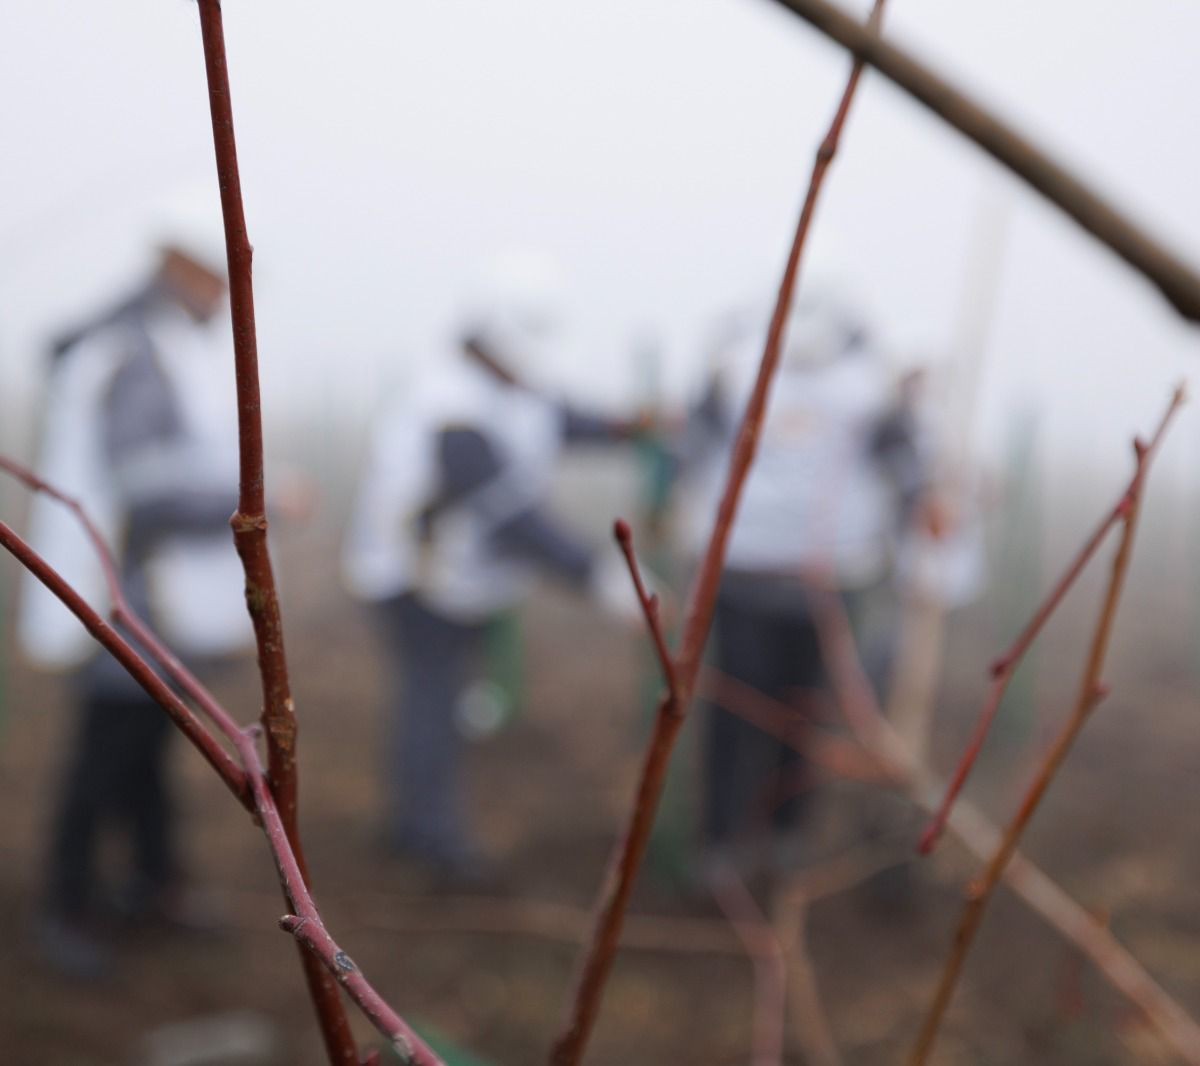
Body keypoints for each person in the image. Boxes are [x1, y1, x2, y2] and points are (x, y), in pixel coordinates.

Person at [342, 251, 649, 886]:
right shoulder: (449, 405)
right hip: (416, 578)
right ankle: (429, 838)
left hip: (456, 577)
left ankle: (419, 820)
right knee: (431, 698)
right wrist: (604, 578)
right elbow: (508, 513)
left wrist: (631, 426)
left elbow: (563, 420)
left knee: (444, 697)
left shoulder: (514, 387)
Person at [20, 199, 254, 976]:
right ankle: (67, 906)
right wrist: (250, 502)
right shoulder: (139, 354)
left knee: (150, 748)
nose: (225, 297)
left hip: (148, 600)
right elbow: (145, 487)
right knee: (105, 756)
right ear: (181, 268)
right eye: (219, 279)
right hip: (124, 601)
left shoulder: (151, 345)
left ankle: (154, 882)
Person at [675, 291, 938, 882]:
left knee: (805, 709)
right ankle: (720, 840)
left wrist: (926, 501)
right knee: (736, 708)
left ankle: (785, 835)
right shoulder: (731, 367)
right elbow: (689, 449)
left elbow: (905, 461)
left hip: (828, 578)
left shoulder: (873, 384)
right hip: (742, 572)